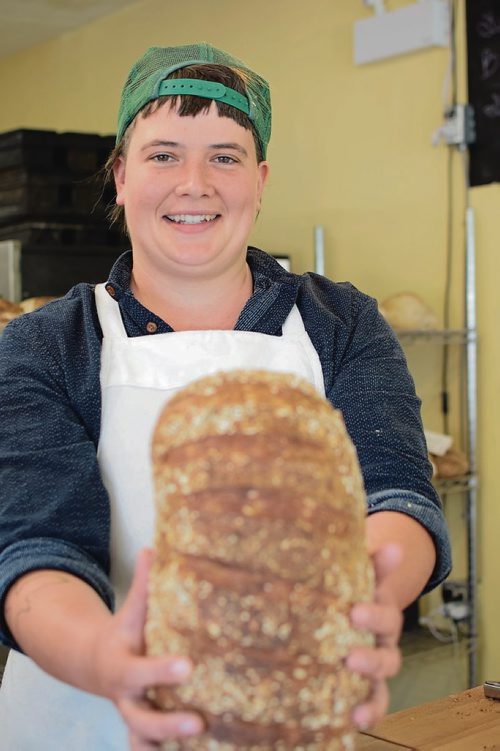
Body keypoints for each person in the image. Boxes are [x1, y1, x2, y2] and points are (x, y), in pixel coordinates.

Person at [0, 43, 451, 750]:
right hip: (79, 723)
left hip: (283, 715)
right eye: (163, 154)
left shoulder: (342, 323)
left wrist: (353, 599)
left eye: (225, 156)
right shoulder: (47, 344)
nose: (194, 182)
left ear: (260, 179)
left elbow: (398, 496)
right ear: (121, 175)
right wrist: (107, 656)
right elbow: (36, 545)